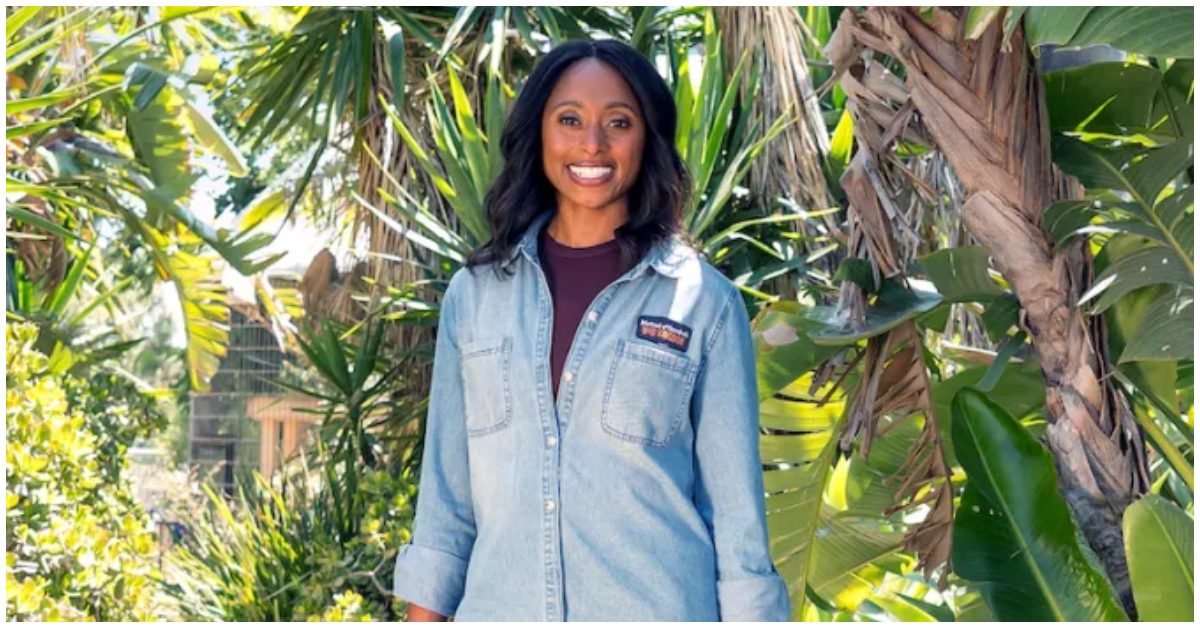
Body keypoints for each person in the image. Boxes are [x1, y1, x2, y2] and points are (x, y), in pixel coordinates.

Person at [391, 39, 790, 622]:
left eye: (619, 123)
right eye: (570, 120)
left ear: (647, 137)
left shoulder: (706, 303)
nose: (592, 144)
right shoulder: (475, 297)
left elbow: (736, 518)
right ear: (540, 134)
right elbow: (445, 502)